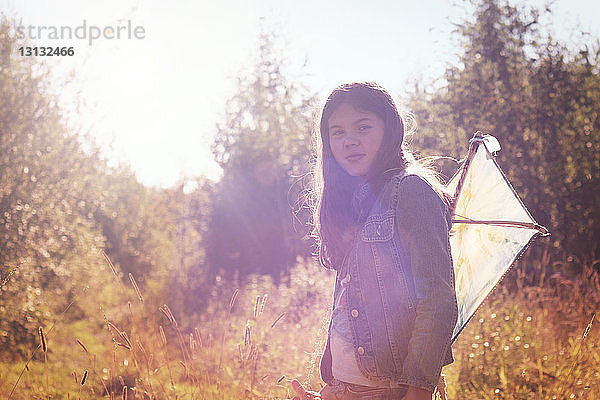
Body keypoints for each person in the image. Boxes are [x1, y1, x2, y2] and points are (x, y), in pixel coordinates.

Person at [291, 82, 458, 400]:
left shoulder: (410, 190)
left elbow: (437, 299)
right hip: (344, 389)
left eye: (363, 126)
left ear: (390, 128)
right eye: (337, 132)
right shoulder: (352, 201)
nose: (349, 140)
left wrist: (419, 390)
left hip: (391, 389)